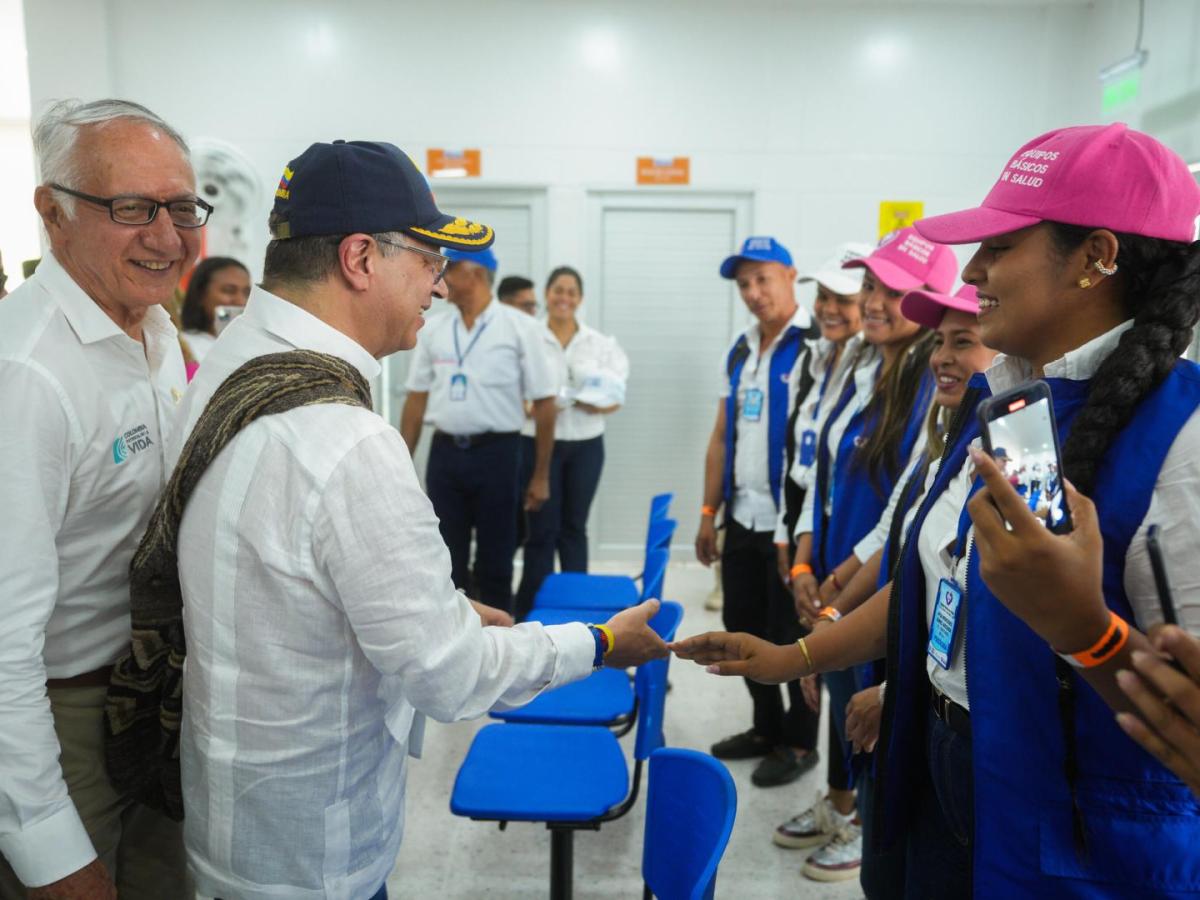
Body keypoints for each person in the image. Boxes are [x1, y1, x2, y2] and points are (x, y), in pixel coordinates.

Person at [674, 123, 1200, 899]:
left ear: (1096, 258)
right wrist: (803, 659)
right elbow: (946, 578)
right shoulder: (1014, 403)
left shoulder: (1181, 445)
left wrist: (1087, 634)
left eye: (1001, 247)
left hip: (1087, 840)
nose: (975, 270)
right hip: (948, 769)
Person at [153, 139, 668, 899]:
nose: (438, 283)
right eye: (428, 258)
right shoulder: (345, 439)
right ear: (361, 259)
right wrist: (596, 642)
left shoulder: (232, 367)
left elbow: (292, 568)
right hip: (312, 856)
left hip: (239, 812)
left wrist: (443, 610)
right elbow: (450, 677)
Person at [0, 98, 199, 900]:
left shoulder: (152, 333)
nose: (166, 235)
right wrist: (51, 850)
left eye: (182, 207)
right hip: (64, 719)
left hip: (152, 698)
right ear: (53, 212)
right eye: (131, 208)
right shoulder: (30, 377)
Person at [784, 227, 954, 883]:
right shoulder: (866, 365)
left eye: (891, 289)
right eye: (872, 287)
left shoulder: (924, 385)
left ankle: (861, 823)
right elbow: (820, 471)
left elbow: (899, 518)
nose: (875, 301)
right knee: (842, 695)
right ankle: (842, 805)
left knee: (868, 710)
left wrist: (842, 590)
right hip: (839, 569)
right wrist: (809, 564)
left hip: (874, 580)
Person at [695, 236, 821, 788]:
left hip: (790, 524)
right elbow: (723, 435)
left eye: (762, 279)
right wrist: (708, 510)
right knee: (740, 625)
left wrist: (804, 532)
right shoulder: (741, 349)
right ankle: (765, 727)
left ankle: (800, 742)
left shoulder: (817, 346)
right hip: (743, 517)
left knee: (790, 633)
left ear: (791, 276)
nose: (753, 292)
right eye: (744, 283)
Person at [400, 246, 557, 613]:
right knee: (444, 557)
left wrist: (541, 475)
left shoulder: (521, 329)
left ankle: (502, 644)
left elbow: (546, 403)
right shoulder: (434, 329)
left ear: (476, 274)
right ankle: (454, 642)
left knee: (496, 559)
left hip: (499, 455)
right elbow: (416, 400)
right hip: (446, 455)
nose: (441, 280)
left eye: (448, 271)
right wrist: (400, 463)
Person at [514, 266, 630, 620]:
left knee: (574, 528)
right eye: (557, 290)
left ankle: (577, 612)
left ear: (580, 299)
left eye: (571, 292)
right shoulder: (527, 337)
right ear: (546, 295)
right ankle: (531, 611)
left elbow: (615, 398)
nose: (564, 297)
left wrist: (586, 400)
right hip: (535, 443)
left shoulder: (599, 344)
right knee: (540, 531)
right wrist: (534, 407)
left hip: (585, 444)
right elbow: (512, 388)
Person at [179, 255, 251, 363]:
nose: (241, 301)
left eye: (247, 293)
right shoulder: (183, 346)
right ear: (200, 295)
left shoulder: (252, 345)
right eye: (229, 291)